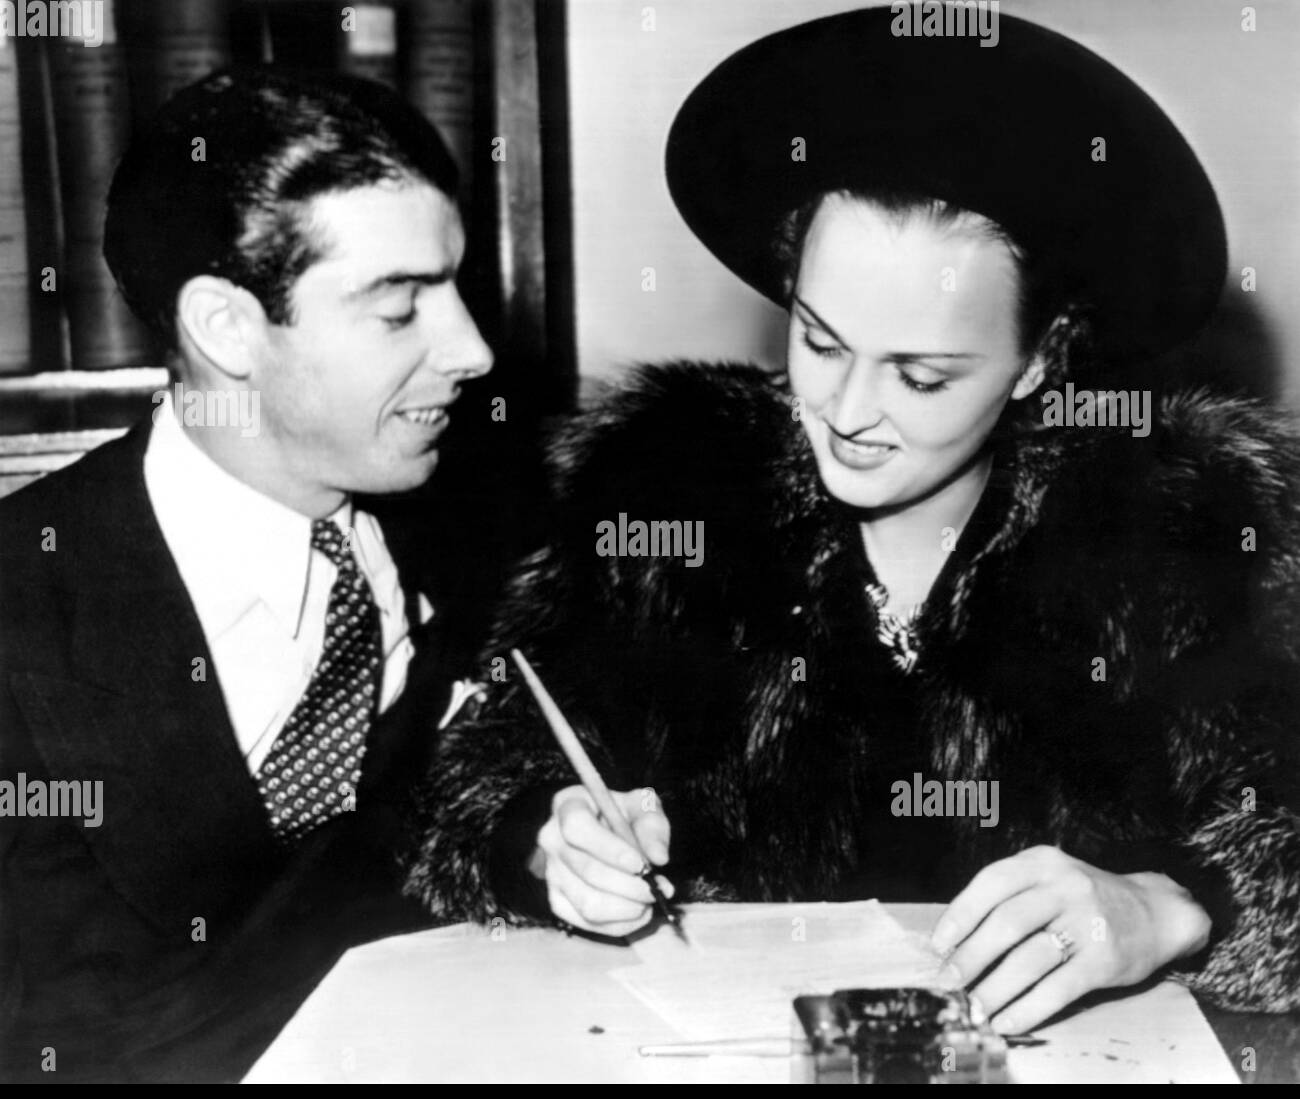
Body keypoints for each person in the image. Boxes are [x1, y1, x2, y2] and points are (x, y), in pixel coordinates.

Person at [405, 8, 1300, 1035]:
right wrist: (541, 836)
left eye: (920, 375)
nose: (845, 411)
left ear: (1041, 361)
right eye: (819, 341)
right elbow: (477, 772)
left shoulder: (1183, 532)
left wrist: (1173, 905)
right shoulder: (668, 494)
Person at [0, 68, 494, 1081]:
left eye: (457, 289)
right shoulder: (24, 604)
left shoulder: (489, 531)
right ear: (226, 328)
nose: (474, 350)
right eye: (400, 310)